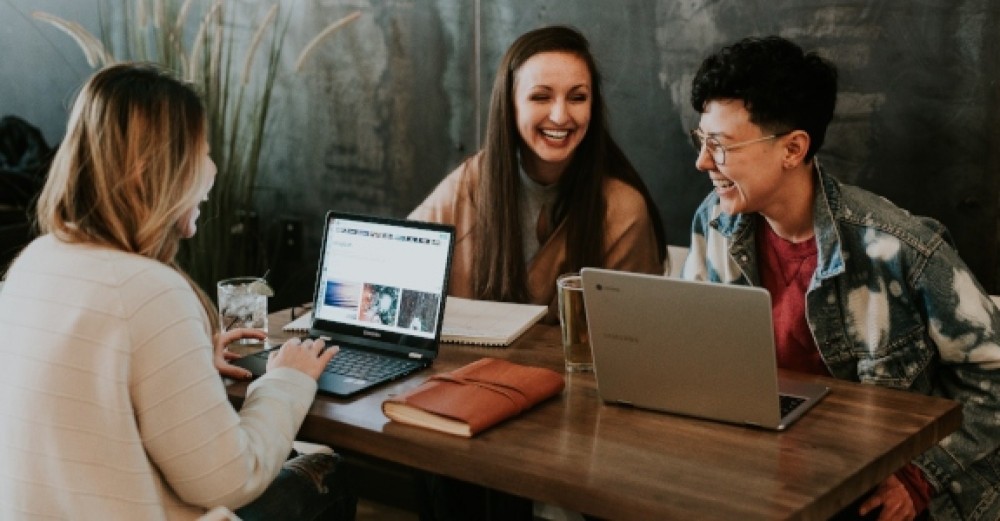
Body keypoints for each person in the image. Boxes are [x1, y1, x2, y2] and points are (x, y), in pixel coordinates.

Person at [0, 63, 356, 520]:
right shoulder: (149, 290)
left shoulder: (33, 263)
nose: (212, 169)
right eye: (201, 152)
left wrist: (187, 363)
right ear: (155, 170)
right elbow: (232, 478)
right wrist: (287, 379)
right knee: (329, 473)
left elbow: (86, 402)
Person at [684, 35, 1000, 521]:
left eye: (720, 145)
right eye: (701, 140)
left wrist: (919, 478)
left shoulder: (899, 248)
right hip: (772, 475)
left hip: (884, 488)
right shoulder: (716, 222)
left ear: (793, 149)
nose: (703, 162)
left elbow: (993, 377)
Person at [409, 25, 667, 323]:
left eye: (577, 97)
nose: (560, 116)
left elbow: (632, 338)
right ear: (510, 105)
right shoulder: (471, 181)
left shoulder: (622, 208)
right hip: (466, 368)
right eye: (541, 97)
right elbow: (398, 263)